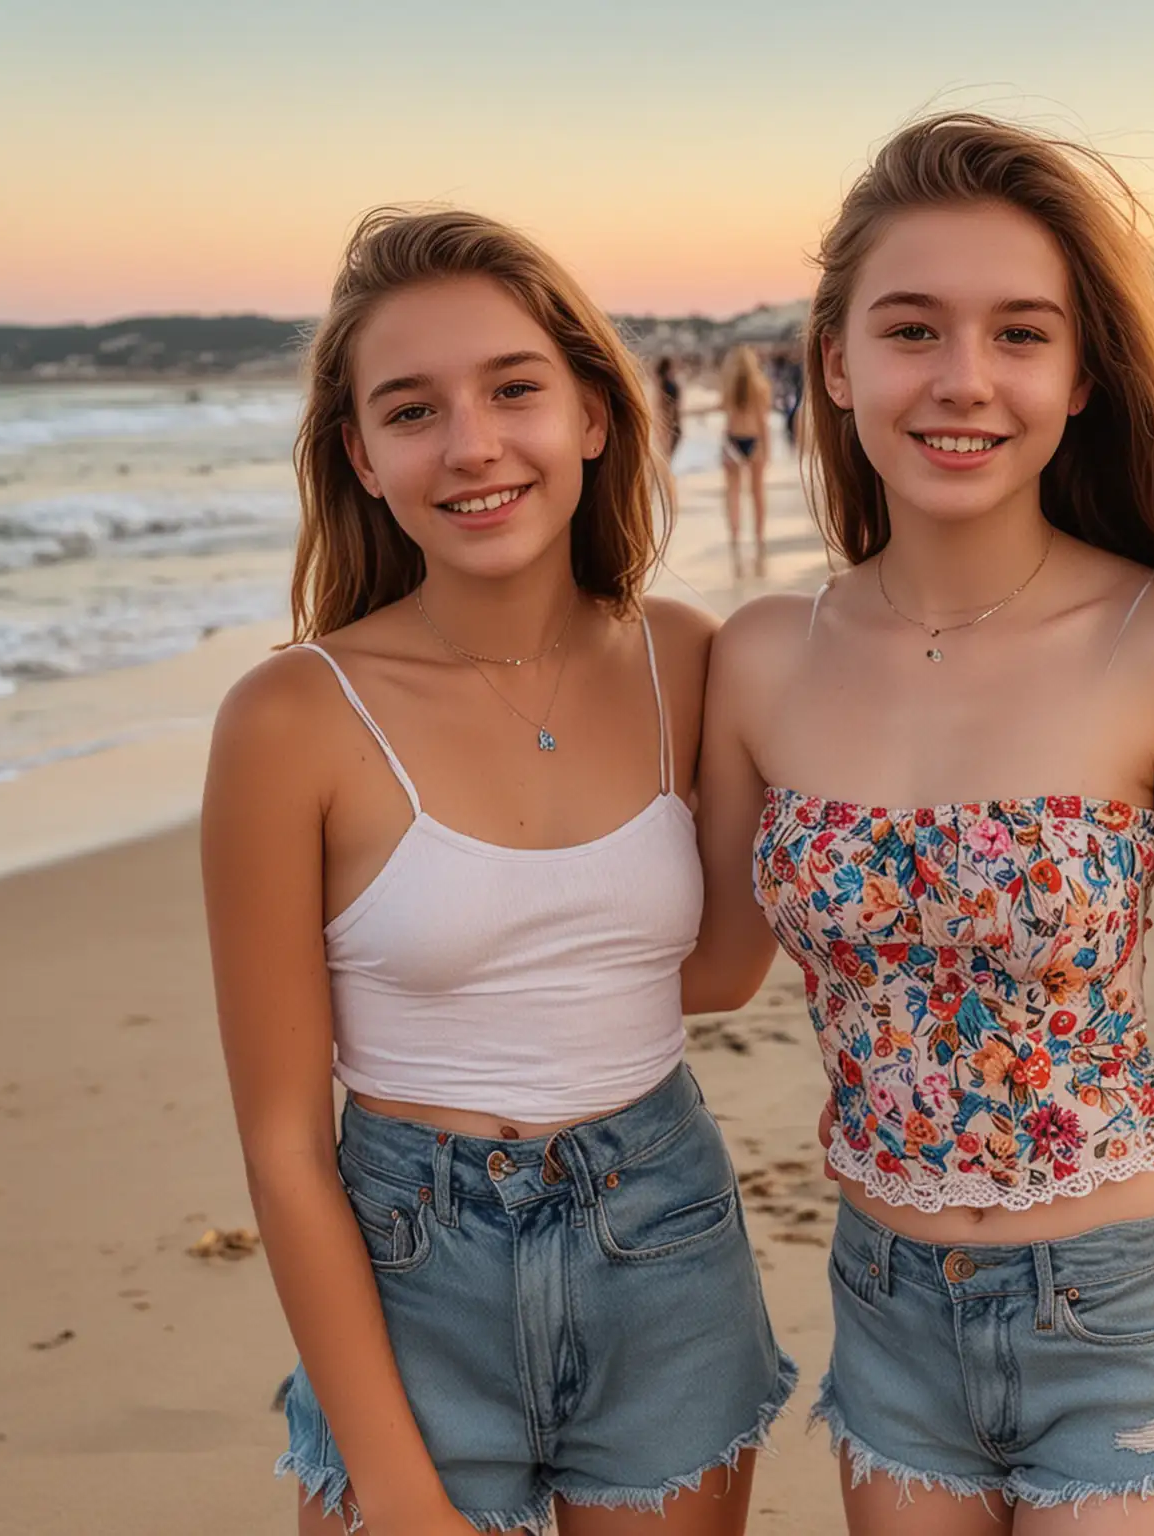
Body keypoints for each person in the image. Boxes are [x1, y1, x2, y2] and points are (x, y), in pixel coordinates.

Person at [685, 114, 1154, 1534]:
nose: (963, 380)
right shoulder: (755, 657)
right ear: (835, 362)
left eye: (1019, 334)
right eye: (911, 331)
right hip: (885, 1314)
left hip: (1125, 1308)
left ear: (1078, 380)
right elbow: (701, 971)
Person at [202, 209, 794, 1536]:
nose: (472, 446)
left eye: (514, 389)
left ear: (594, 409)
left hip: (665, 1241)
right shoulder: (289, 720)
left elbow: (709, 976)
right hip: (407, 1266)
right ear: (360, 457)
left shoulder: (693, 662)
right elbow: (284, 1143)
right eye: (412, 412)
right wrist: (399, 1488)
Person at [718, 344, 773, 578]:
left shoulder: (728, 386)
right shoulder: (760, 386)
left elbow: (727, 415)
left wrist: (723, 447)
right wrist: (765, 447)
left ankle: (735, 536)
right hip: (753, 439)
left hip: (732, 440)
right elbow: (763, 421)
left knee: (733, 492)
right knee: (757, 493)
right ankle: (759, 537)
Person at [655, 355, 683, 463]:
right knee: (667, 455)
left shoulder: (662, 383)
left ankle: (666, 476)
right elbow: (667, 406)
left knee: (666, 455)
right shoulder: (669, 384)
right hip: (671, 422)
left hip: (669, 422)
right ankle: (667, 477)